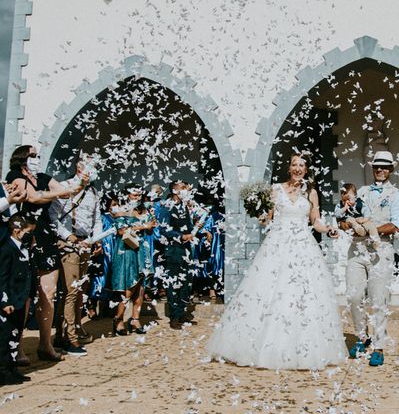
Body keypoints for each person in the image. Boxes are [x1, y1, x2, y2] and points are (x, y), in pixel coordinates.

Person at [206, 153, 346, 370]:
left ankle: (303, 349)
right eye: (294, 164)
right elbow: (267, 219)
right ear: (289, 168)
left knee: (302, 294)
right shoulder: (276, 190)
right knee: (268, 291)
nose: (298, 168)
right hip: (277, 246)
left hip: (303, 247)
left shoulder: (311, 193)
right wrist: (259, 213)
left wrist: (328, 229)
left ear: (306, 170)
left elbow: (316, 222)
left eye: (302, 165)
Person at [5, 145, 85, 362]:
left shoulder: (43, 177)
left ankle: (45, 343)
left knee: (48, 293)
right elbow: (33, 198)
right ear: (22, 158)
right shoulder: (14, 177)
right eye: (32, 155)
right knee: (27, 295)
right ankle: (18, 346)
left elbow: (64, 190)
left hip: (46, 235)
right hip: (26, 236)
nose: (36, 158)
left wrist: (80, 182)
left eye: (38, 155)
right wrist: (63, 191)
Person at [344, 150, 399, 367]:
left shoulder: (397, 195)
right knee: (353, 296)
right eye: (377, 166)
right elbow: (347, 215)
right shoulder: (360, 191)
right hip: (357, 251)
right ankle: (362, 337)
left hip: (381, 252)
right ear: (372, 168)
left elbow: (397, 224)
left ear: (391, 169)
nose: (380, 169)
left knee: (378, 300)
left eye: (385, 166)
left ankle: (378, 346)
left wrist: (370, 230)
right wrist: (346, 224)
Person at [49, 156, 102, 356]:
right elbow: (54, 217)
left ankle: (69, 330)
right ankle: (69, 338)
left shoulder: (94, 191)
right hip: (69, 243)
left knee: (79, 290)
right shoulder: (63, 187)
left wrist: (96, 239)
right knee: (71, 291)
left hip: (85, 243)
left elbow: (96, 217)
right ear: (79, 169)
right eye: (91, 167)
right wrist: (69, 236)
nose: (94, 170)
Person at [111, 185, 155, 336]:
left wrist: (151, 221)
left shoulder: (144, 210)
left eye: (138, 195)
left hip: (142, 249)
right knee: (128, 285)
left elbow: (151, 228)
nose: (136, 197)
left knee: (141, 286)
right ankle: (118, 319)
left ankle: (135, 319)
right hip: (127, 249)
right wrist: (142, 226)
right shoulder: (119, 210)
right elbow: (121, 230)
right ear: (127, 195)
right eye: (133, 195)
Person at [0, 214, 35, 386]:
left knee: (16, 335)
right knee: (5, 337)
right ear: (17, 231)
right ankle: (4, 371)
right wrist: (4, 302)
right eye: (28, 232)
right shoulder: (6, 249)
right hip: (10, 300)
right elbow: (2, 277)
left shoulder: (25, 247)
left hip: (21, 298)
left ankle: (13, 368)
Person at [156, 181, 197, 329]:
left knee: (186, 281)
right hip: (173, 249)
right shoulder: (166, 207)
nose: (186, 190)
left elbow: (190, 226)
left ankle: (182, 312)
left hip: (186, 249)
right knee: (174, 282)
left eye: (186, 187)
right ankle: (174, 317)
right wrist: (181, 236)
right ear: (174, 190)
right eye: (183, 188)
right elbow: (164, 229)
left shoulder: (186, 206)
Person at [335, 183, 381, 248]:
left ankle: (376, 241)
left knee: (371, 226)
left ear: (355, 197)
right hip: (350, 219)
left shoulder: (360, 203)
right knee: (350, 220)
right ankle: (358, 228)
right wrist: (344, 208)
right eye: (344, 200)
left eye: (348, 199)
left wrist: (365, 219)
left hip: (360, 219)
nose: (346, 202)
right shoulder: (340, 205)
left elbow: (367, 212)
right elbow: (337, 214)